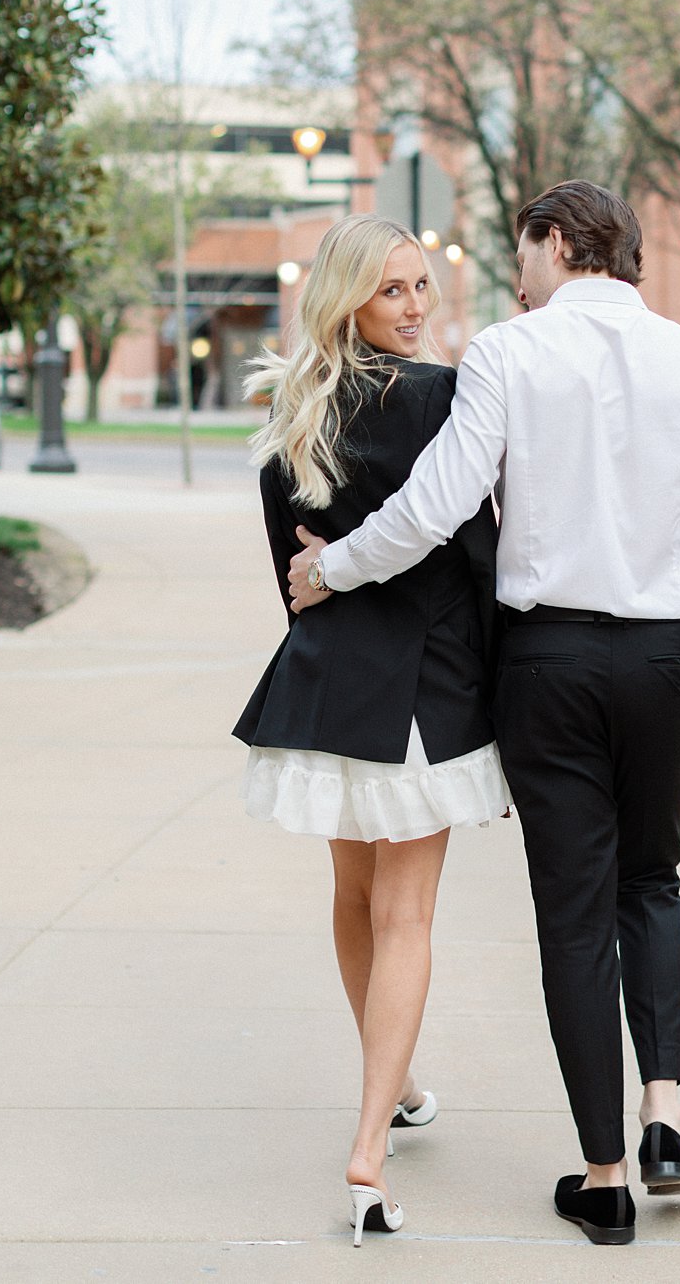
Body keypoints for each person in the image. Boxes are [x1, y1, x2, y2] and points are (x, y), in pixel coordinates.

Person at [288, 180, 680, 1246]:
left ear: (557, 244)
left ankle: (604, 1180)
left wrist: (334, 565)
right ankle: (665, 1112)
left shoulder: (509, 359)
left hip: (549, 660)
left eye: (521, 256)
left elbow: (434, 508)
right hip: (668, 656)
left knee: (573, 914)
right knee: (651, 880)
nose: (512, 280)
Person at [233, 214, 508, 1247]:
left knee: (353, 898)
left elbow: (292, 575)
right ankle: (368, 1148)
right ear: (350, 297)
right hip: (424, 692)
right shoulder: (446, 398)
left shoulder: (293, 404)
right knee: (406, 915)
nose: (416, 305)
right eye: (393, 289)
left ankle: (391, 1089)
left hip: (329, 680)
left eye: (422, 286)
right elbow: (479, 553)